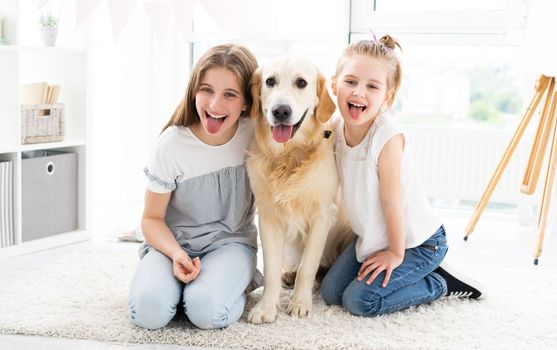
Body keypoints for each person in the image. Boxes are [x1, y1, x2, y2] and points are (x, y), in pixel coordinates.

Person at [320, 35, 485, 317]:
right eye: (351, 82)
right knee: (331, 292)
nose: (359, 92)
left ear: (387, 96)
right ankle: (400, 266)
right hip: (374, 238)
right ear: (334, 84)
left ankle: (439, 281)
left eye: (372, 86)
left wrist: (395, 253)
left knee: (360, 301)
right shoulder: (335, 128)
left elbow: (392, 201)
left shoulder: (387, 137)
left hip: (416, 242)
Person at [128, 44, 262, 330]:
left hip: (231, 243)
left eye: (230, 94)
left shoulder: (256, 134)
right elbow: (151, 219)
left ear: (247, 101)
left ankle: (220, 290)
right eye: (206, 90)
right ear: (193, 91)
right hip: (172, 245)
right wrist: (177, 255)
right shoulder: (171, 145)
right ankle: (179, 292)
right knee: (149, 313)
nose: (215, 105)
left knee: (205, 311)